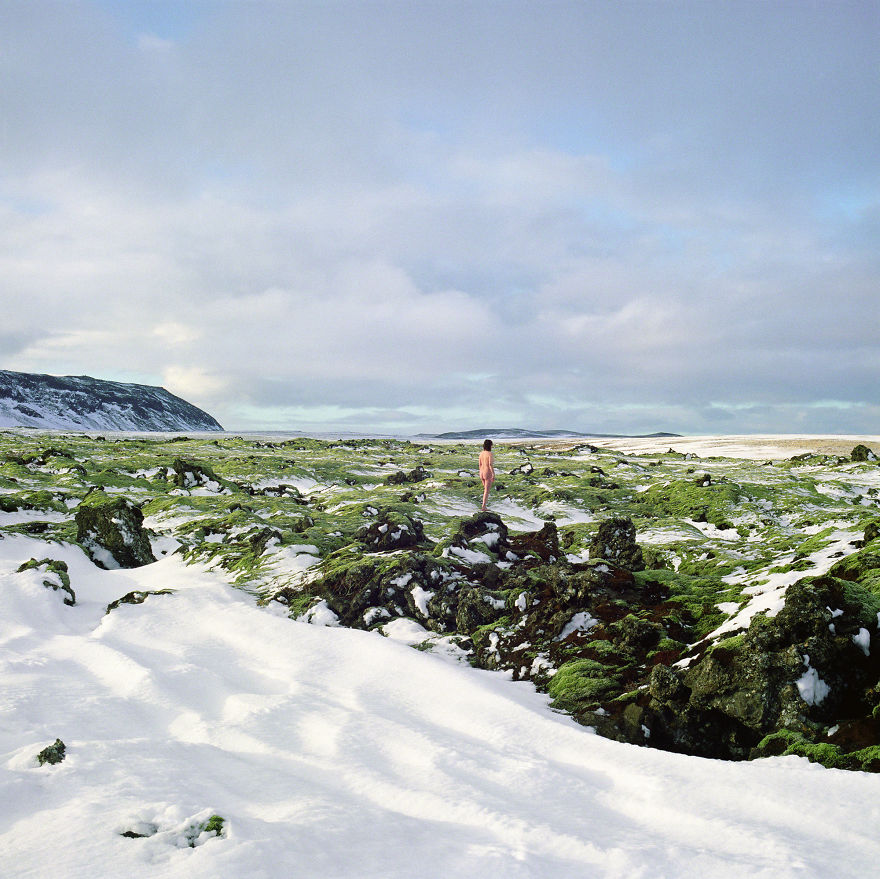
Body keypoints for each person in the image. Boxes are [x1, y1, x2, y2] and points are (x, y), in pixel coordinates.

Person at [478, 438, 495, 511]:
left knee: (485, 490)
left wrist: (480, 472)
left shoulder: (481, 453)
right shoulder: (490, 454)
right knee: (486, 491)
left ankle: (484, 505)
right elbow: (490, 464)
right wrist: (493, 474)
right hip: (487, 472)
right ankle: (484, 506)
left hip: (481, 472)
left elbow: (480, 464)